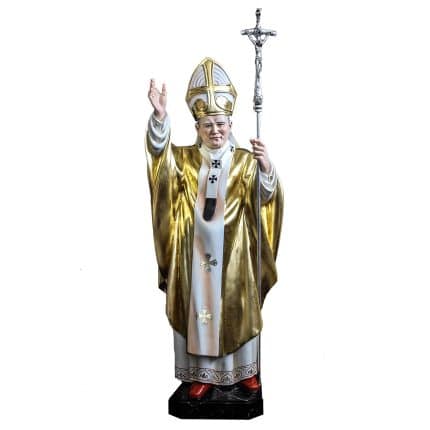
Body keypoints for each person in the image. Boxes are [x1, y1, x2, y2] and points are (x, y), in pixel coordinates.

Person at [145, 58, 283, 400]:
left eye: (220, 123)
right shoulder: (185, 160)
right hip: (194, 257)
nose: (215, 131)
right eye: (207, 125)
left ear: (230, 123)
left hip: (236, 254)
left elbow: (265, 199)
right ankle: (202, 374)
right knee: (199, 312)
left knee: (239, 307)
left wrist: (267, 168)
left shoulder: (246, 160)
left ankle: (245, 372)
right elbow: (160, 163)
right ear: (197, 127)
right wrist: (160, 118)